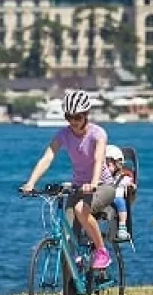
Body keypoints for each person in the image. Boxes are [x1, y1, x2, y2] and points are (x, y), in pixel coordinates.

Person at [21, 89, 114, 273]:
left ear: (86, 115)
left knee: (81, 209)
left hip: (102, 185)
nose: (73, 122)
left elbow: (97, 159)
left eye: (77, 117)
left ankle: (102, 251)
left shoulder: (98, 133)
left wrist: (94, 183)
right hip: (79, 188)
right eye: (68, 117)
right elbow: (48, 157)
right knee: (67, 240)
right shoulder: (63, 134)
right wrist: (30, 182)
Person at [105, 145, 134, 243]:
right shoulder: (101, 177)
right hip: (104, 199)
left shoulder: (123, 177)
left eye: (108, 165)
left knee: (120, 202)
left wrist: (131, 187)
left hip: (116, 197)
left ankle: (122, 226)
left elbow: (129, 184)